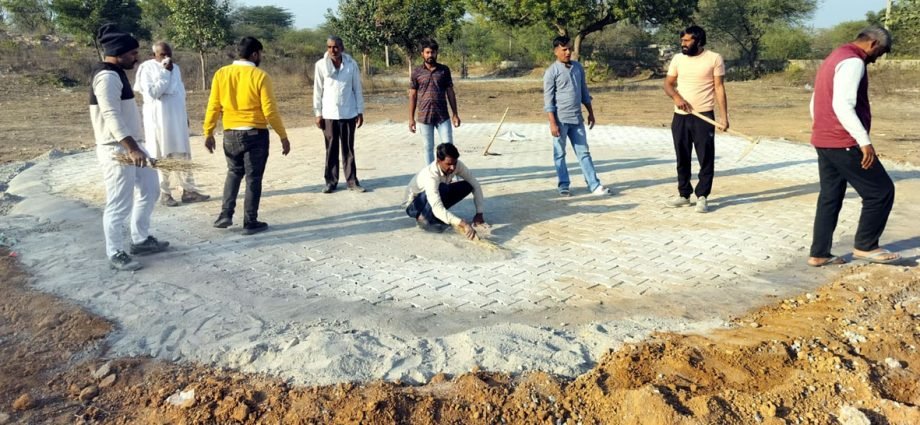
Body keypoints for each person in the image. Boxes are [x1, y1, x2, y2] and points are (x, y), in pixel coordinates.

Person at [807, 26, 900, 267]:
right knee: (880, 191)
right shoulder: (853, 62)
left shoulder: (835, 56)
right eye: (881, 52)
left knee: (830, 196)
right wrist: (864, 142)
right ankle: (866, 246)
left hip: (824, 139)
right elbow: (843, 104)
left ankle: (819, 253)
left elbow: (816, 100)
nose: (878, 59)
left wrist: (820, 127)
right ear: (873, 44)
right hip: (843, 141)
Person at [89, 24, 169, 271]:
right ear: (119, 52)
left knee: (150, 188)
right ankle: (115, 252)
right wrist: (132, 148)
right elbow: (111, 115)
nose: (136, 58)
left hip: (131, 146)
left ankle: (141, 239)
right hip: (117, 149)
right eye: (133, 54)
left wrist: (137, 147)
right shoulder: (107, 77)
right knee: (119, 202)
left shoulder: (116, 72)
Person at [203, 36, 291, 235]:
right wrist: (283, 136)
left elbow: (213, 105)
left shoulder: (221, 74)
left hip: (230, 133)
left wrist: (208, 132)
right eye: (260, 54)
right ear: (254, 54)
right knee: (253, 178)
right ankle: (250, 221)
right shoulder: (260, 76)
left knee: (233, 172)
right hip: (255, 133)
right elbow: (269, 110)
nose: (261, 57)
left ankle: (225, 215)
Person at [663, 25, 729, 213]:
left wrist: (724, 117)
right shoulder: (677, 59)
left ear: (698, 41)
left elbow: (719, 88)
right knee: (682, 157)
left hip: (704, 117)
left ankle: (702, 196)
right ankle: (684, 194)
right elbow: (668, 84)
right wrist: (677, 97)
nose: (682, 44)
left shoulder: (714, 58)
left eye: (686, 40)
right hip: (681, 116)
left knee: (705, 158)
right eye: (682, 40)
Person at [135, 41, 209, 207]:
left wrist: (185, 115)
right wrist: (164, 73)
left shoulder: (175, 68)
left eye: (169, 54)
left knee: (183, 153)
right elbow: (153, 93)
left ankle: (189, 191)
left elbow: (180, 92)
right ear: (154, 55)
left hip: (177, 118)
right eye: (163, 54)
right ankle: (165, 193)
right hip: (158, 120)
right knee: (162, 154)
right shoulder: (147, 68)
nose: (167, 58)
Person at [543, 36, 612, 197]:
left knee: (584, 153)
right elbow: (548, 101)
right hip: (560, 121)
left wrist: (591, 113)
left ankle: (594, 185)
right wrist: (553, 123)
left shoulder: (578, 68)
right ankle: (564, 185)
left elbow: (584, 92)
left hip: (577, 119)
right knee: (559, 154)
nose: (568, 52)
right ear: (556, 51)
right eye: (564, 49)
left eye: (569, 49)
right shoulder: (551, 72)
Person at [313, 36, 365, 194]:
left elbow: (357, 88)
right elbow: (318, 90)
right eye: (329, 47)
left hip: (348, 113)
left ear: (342, 47)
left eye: (335, 47)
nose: (332, 50)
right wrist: (318, 113)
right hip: (329, 114)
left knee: (348, 149)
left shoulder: (351, 64)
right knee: (331, 149)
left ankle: (352, 181)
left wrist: (359, 111)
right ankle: (330, 181)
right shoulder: (321, 65)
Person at [405, 143, 485, 240]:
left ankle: (436, 216)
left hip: (434, 199)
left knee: (468, 185)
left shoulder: (457, 165)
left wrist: (479, 213)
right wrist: (462, 223)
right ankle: (423, 218)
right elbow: (437, 207)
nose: (452, 168)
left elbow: (475, 184)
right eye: (449, 164)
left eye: (454, 163)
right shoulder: (431, 175)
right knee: (442, 188)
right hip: (414, 207)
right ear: (439, 161)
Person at [409, 39, 461, 164]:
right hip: (424, 117)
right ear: (422, 54)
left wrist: (455, 114)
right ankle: (431, 176)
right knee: (428, 148)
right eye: (427, 52)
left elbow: (450, 92)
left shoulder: (444, 70)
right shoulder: (416, 72)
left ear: (436, 53)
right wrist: (411, 118)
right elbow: (413, 95)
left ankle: (452, 177)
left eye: (432, 52)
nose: (430, 55)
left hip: (443, 116)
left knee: (449, 147)